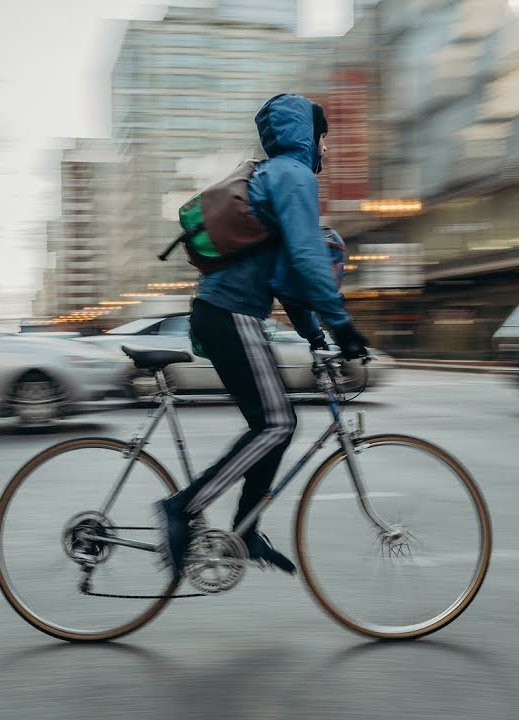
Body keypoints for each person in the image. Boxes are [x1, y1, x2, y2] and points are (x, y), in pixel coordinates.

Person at [157, 93, 370, 580]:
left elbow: (284, 281)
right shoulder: (292, 175)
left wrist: (317, 339)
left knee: (272, 423)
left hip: (225, 313)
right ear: (306, 136)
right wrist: (344, 329)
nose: (325, 149)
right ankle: (183, 509)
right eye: (321, 137)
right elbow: (306, 260)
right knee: (276, 423)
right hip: (231, 313)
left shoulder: (272, 175)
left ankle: (245, 530)